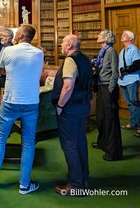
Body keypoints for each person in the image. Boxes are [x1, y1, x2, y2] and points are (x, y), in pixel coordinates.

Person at [0, 24, 44, 195]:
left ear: (22, 34)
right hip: (31, 101)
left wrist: (6, 72)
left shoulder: (8, 51)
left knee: (1, 138)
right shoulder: (39, 53)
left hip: (11, 101)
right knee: (28, 142)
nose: (15, 33)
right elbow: (37, 73)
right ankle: (24, 185)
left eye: (17, 31)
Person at [52, 34, 93, 195]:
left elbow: (68, 87)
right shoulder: (85, 59)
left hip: (70, 108)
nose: (60, 45)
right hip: (83, 106)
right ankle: (83, 179)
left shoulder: (70, 60)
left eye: (62, 42)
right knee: (80, 142)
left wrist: (60, 105)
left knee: (69, 145)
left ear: (69, 46)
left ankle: (75, 185)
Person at [91, 30, 123, 161]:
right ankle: (103, 142)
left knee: (110, 120)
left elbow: (115, 72)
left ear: (105, 38)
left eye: (99, 34)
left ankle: (114, 152)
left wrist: (110, 89)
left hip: (108, 88)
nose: (97, 36)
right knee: (101, 117)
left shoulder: (111, 52)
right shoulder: (102, 51)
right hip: (101, 87)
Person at [118, 30, 140, 137]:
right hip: (123, 80)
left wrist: (125, 70)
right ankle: (133, 123)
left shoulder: (134, 49)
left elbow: (137, 65)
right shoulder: (122, 51)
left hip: (132, 79)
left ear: (130, 39)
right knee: (129, 103)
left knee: (134, 102)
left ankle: (139, 125)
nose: (122, 36)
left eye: (125, 35)